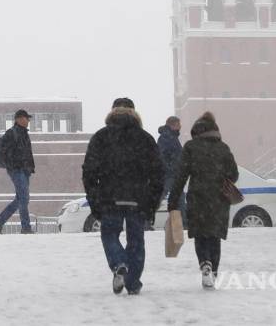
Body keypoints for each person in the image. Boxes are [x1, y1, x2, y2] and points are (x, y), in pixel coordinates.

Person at [81, 98, 163, 295]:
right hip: (138, 197)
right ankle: (132, 283)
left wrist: (94, 200)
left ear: (112, 112)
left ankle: (119, 263)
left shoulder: (101, 137)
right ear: (134, 113)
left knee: (109, 234)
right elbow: (158, 174)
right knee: (136, 240)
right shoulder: (145, 138)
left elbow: (89, 172)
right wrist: (152, 202)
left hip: (109, 196)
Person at [167, 111, 238, 289]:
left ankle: (205, 263)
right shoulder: (223, 148)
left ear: (196, 130)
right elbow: (234, 174)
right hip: (219, 199)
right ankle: (213, 271)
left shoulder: (191, 147)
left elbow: (181, 175)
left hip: (197, 197)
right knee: (214, 236)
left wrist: (173, 200)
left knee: (200, 235)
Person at [0, 109, 35, 234]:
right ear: (19, 119)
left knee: (21, 198)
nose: (28, 120)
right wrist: (10, 164)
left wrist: (30, 168)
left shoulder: (24, 133)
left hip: (25, 170)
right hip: (17, 169)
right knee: (24, 197)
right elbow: (2, 147)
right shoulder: (11, 133)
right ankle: (26, 227)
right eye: (26, 118)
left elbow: (27, 153)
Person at [157, 116, 184, 211]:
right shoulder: (168, 137)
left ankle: (181, 218)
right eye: (178, 124)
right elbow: (163, 156)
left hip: (170, 173)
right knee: (179, 199)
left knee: (177, 198)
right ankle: (182, 219)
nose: (180, 126)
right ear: (173, 125)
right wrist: (171, 168)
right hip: (170, 174)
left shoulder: (169, 136)